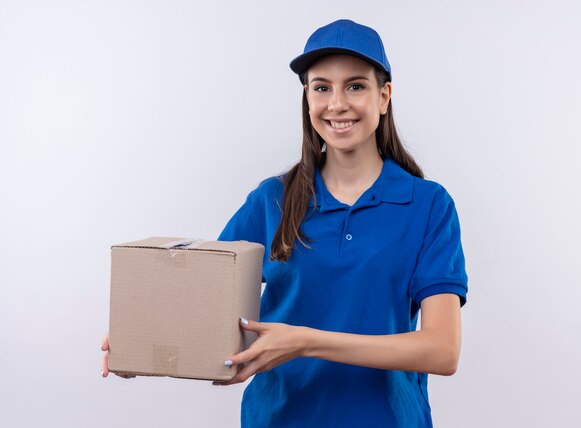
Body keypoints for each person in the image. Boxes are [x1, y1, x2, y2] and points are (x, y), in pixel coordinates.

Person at [102, 19, 468, 428]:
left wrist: (306, 342)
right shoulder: (270, 201)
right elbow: (207, 309)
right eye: (322, 87)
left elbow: (442, 350)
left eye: (356, 86)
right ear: (307, 97)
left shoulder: (429, 205)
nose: (337, 104)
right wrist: (138, 342)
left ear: (384, 97)